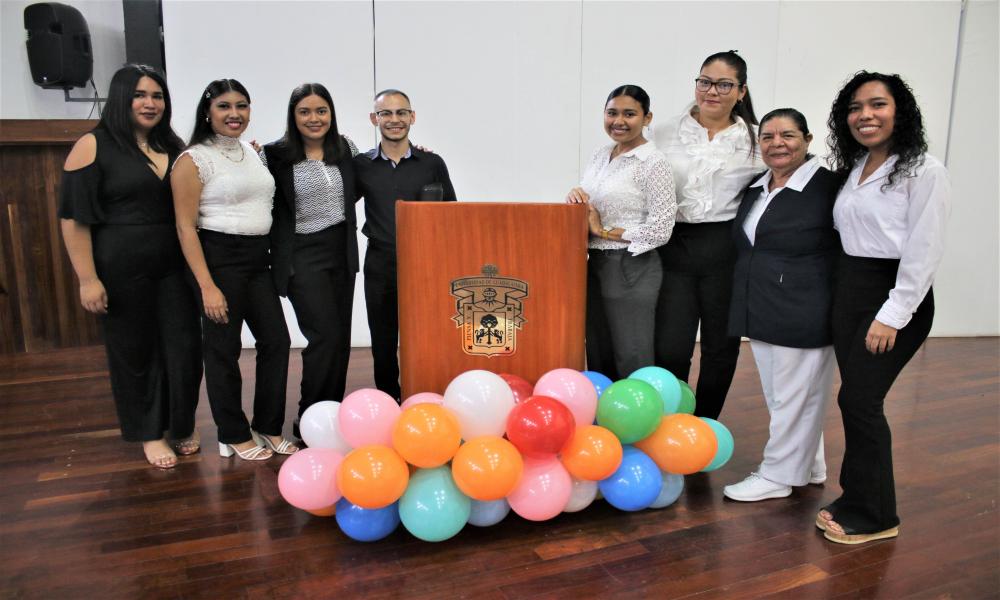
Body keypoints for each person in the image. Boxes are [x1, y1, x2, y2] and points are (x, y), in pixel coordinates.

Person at [818, 72, 950, 544]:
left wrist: (892, 314)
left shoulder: (924, 170)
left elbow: (924, 250)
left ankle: (877, 515)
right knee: (853, 399)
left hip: (893, 295)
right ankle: (856, 496)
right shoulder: (856, 167)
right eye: (855, 108)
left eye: (877, 105)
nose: (865, 115)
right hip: (850, 289)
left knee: (860, 400)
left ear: (901, 112)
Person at [59, 64, 202, 469]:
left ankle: (179, 423)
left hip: (175, 267)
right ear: (121, 98)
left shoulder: (174, 146)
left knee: (184, 349)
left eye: (157, 96)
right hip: (120, 268)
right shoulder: (93, 144)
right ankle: (149, 433)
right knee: (135, 353)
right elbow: (73, 218)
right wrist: (88, 279)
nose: (150, 103)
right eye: (140, 95)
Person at [172, 79, 296, 461]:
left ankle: (268, 426)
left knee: (276, 342)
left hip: (259, 258)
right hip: (218, 257)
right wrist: (207, 286)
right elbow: (184, 226)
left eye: (242, 105)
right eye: (224, 106)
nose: (234, 114)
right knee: (223, 351)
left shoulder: (250, 152)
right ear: (207, 112)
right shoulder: (193, 159)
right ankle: (232, 433)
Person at [722, 108, 841, 502]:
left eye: (787, 135)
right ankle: (809, 465)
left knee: (794, 394)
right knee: (784, 395)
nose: (777, 144)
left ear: (807, 140)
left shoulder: (829, 188)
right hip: (761, 305)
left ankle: (778, 474)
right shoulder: (758, 187)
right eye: (768, 137)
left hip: (804, 306)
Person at [651, 50, 762, 420]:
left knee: (720, 347)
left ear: (741, 92)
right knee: (670, 346)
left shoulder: (756, 141)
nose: (711, 91)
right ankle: (670, 423)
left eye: (724, 84)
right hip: (675, 247)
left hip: (726, 251)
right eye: (705, 82)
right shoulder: (665, 131)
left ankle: (705, 424)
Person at [263, 83, 360, 433]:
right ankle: (310, 419)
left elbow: (364, 184)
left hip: (341, 252)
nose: (314, 118)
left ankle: (332, 416)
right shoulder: (273, 155)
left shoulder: (345, 148)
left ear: (331, 114)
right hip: (300, 254)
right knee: (324, 336)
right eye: (305, 111)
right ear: (293, 116)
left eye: (321, 111)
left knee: (340, 338)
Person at [566, 84, 676, 381]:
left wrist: (603, 230)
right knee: (598, 349)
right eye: (612, 113)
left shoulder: (654, 163)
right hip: (595, 264)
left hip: (632, 265)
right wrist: (578, 199)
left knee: (631, 353)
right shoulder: (601, 155)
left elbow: (661, 229)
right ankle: (605, 423)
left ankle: (639, 424)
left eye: (630, 114)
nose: (619, 121)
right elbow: (594, 207)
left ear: (647, 118)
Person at [354, 89, 456, 400]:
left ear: (412, 117)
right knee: (383, 336)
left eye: (401, 113)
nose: (394, 120)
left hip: (426, 262)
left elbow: (451, 212)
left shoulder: (432, 162)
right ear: (375, 119)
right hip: (381, 260)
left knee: (427, 332)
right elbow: (340, 204)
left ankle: (425, 393)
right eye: (386, 113)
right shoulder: (361, 165)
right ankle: (388, 396)